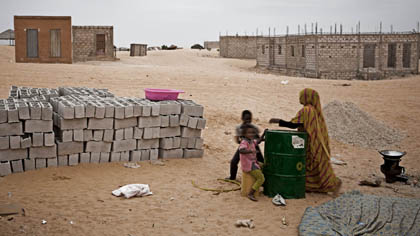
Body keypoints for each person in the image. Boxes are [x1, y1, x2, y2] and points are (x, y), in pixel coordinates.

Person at [269, 88, 341, 195]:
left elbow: (294, 124)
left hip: (311, 143)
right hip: (318, 142)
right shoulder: (314, 110)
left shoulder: (306, 110)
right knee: (319, 166)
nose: (300, 98)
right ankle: (329, 184)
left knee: (310, 165)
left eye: (301, 96)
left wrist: (278, 121)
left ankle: (328, 185)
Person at [227, 110, 264, 181]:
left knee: (261, 162)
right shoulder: (239, 128)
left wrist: (254, 141)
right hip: (244, 146)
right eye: (246, 119)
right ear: (242, 119)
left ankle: (263, 178)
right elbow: (237, 140)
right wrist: (243, 141)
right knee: (234, 161)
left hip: (254, 145)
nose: (248, 121)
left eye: (249, 119)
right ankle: (232, 177)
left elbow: (258, 139)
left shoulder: (254, 127)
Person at [239, 124, 265, 201]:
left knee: (264, 166)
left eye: (252, 133)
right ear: (244, 134)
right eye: (249, 133)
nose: (251, 134)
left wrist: (264, 134)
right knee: (261, 178)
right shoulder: (244, 142)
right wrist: (250, 150)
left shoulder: (251, 141)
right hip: (249, 165)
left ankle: (260, 185)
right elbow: (241, 150)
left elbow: (259, 141)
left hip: (253, 162)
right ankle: (251, 193)